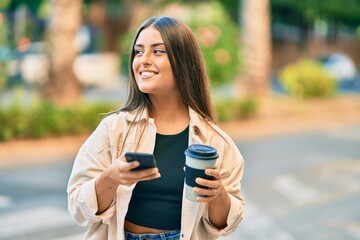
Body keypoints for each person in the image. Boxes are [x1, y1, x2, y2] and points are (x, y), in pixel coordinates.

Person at [67, 16, 245, 240]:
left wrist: (218, 194)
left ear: (184, 61)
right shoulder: (114, 129)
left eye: (158, 51)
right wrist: (110, 178)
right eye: (139, 52)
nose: (144, 60)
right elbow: (77, 208)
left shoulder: (214, 141)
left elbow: (224, 225)